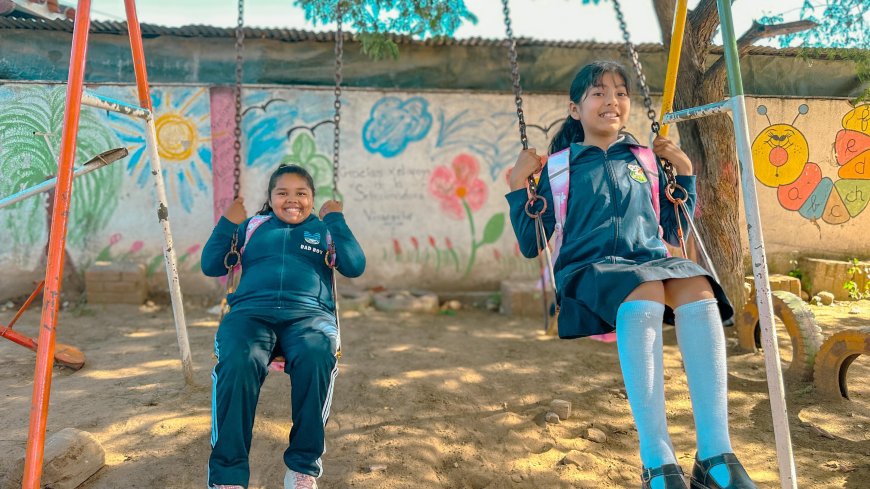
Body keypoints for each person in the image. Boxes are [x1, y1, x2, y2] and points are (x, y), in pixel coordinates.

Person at [506, 61, 754, 489]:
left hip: (649, 259)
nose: (612, 101)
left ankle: (715, 454)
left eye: (621, 92)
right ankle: (657, 458)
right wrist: (516, 182)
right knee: (645, 291)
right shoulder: (560, 167)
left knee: (699, 287)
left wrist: (686, 175)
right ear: (574, 108)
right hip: (589, 270)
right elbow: (532, 243)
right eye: (598, 93)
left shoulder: (644, 159)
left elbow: (674, 230)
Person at [202, 164, 365, 489]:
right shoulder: (253, 226)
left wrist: (335, 218)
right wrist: (228, 221)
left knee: (317, 354)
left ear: (312, 198)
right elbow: (211, 264)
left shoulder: (323, 230)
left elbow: (354, 265)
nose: (293, 200)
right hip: (250, 315)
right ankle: (228, 477)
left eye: (301, 193)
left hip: (309, 317)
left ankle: (302, 468)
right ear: (271, 197)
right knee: (237, 361)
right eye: (283, 193)